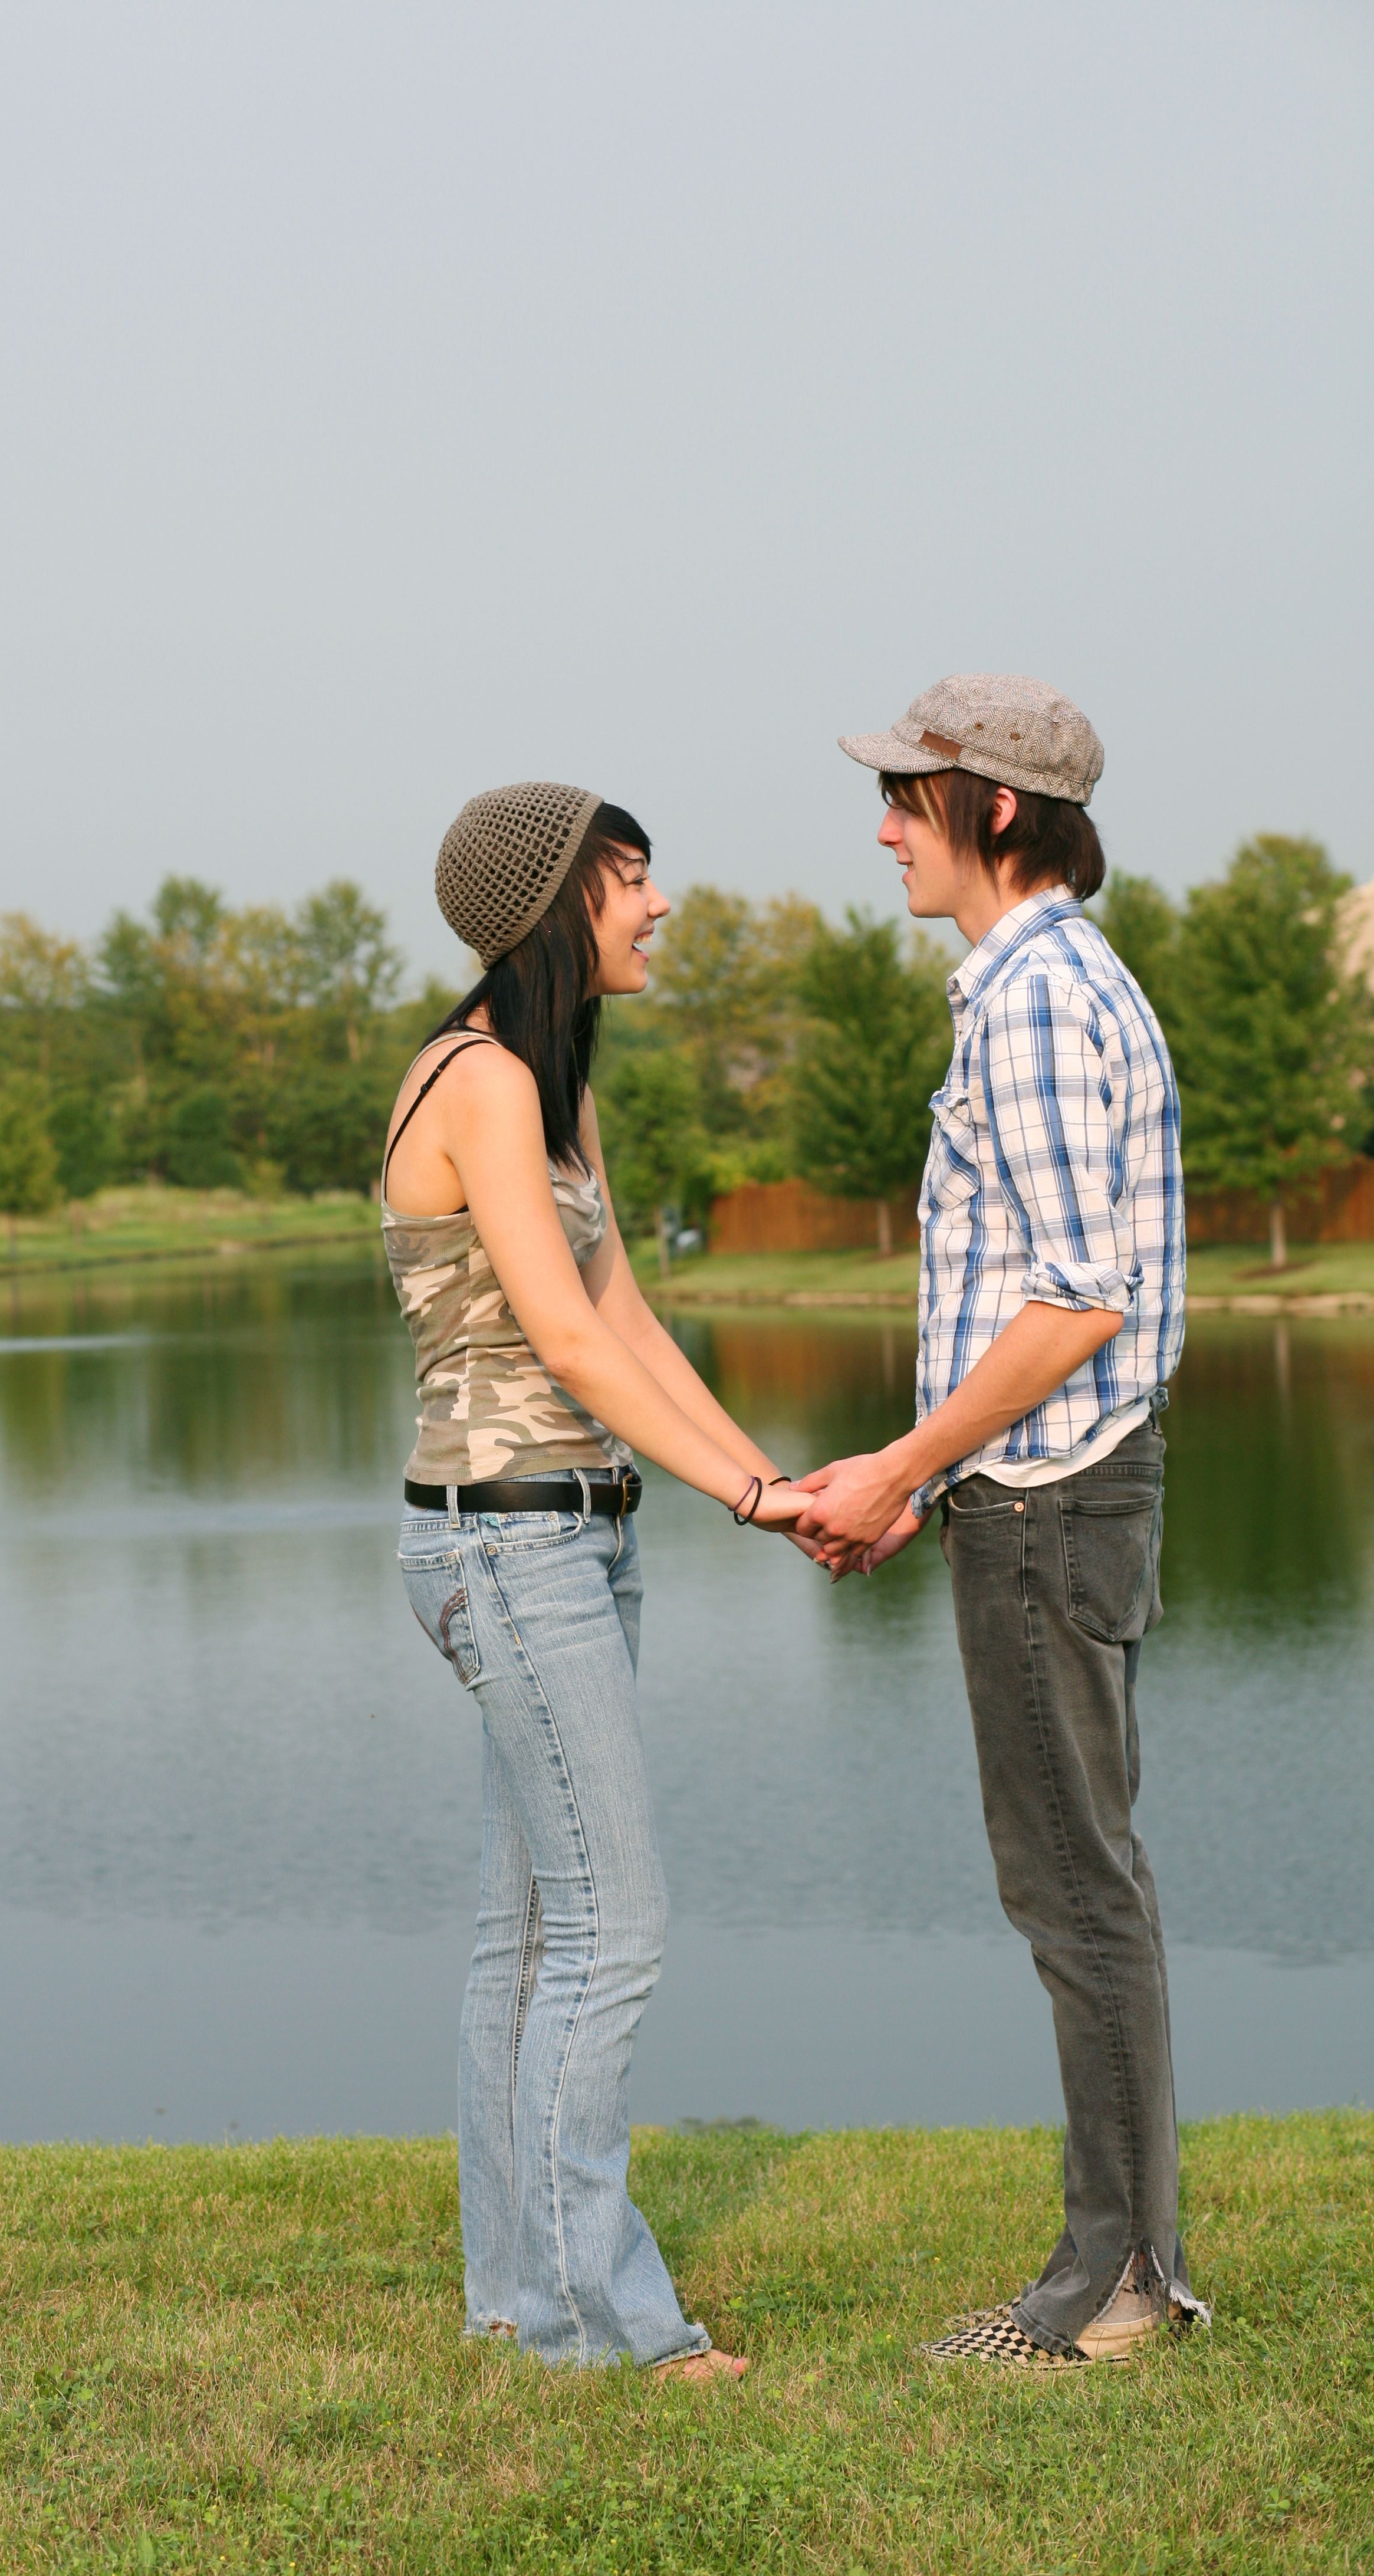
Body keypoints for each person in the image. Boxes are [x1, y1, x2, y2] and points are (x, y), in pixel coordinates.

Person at [797, 676, 1211, 2369]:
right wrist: (929, 1473)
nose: (884, 824)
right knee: (1085, 1879)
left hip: (1046, 1504)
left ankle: (1112, 2283)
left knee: (1073, 1893)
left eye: (911, 792)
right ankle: (1127, 2268)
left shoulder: (1035, 1001)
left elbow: (1073, 1298)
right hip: (1042, 1490)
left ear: (1002, 813)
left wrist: (901, 1467)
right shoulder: (1048, 987)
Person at [384, 781, 811, 2376]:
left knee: (537, 1934)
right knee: (615, 1927)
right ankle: (600, 2323)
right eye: (633, 879)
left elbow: (626, 1319)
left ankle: (517, 2292)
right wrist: (754, 1495)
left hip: (567, 1532)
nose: (660, 904)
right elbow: (557, 1340)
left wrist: (775, 1483)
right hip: (506, 1541)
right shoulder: (482, 1082)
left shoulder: (548, 1091)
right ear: (564, 902)